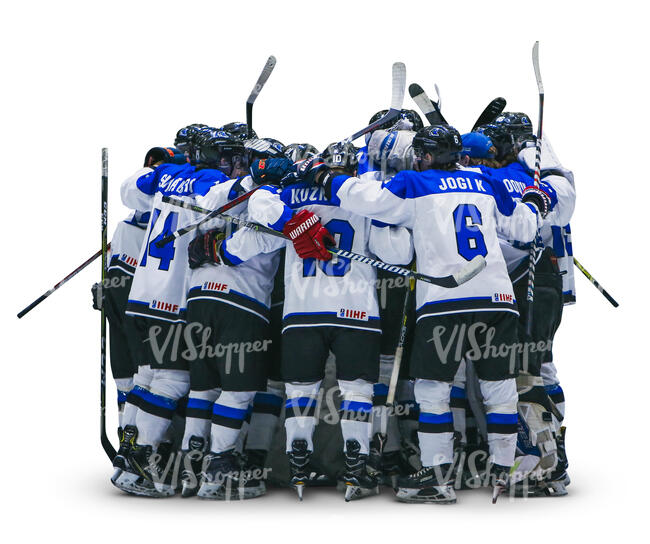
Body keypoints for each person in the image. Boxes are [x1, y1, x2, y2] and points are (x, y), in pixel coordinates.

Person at [304, 125, 548, 504]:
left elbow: (364, 199)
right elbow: (523, 226)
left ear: (429, 156)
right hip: (497, 299)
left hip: (444, 300)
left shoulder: (412, 183)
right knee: (498, 388)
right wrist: (534, 201)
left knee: (433, 390)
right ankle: (504, 467)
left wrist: (324, 175)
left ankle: (437, 477)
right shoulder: (484, 180)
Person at [212, 143, 413, 500]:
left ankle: (298, 466)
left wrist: (222, 251)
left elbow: (248, 241)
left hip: (301, 312)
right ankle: (356, 469)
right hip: (357, 312)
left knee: (299, 393)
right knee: (357, 392)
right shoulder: (364, 198)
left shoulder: (287, 199)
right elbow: (397, 254)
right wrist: (385, 219)